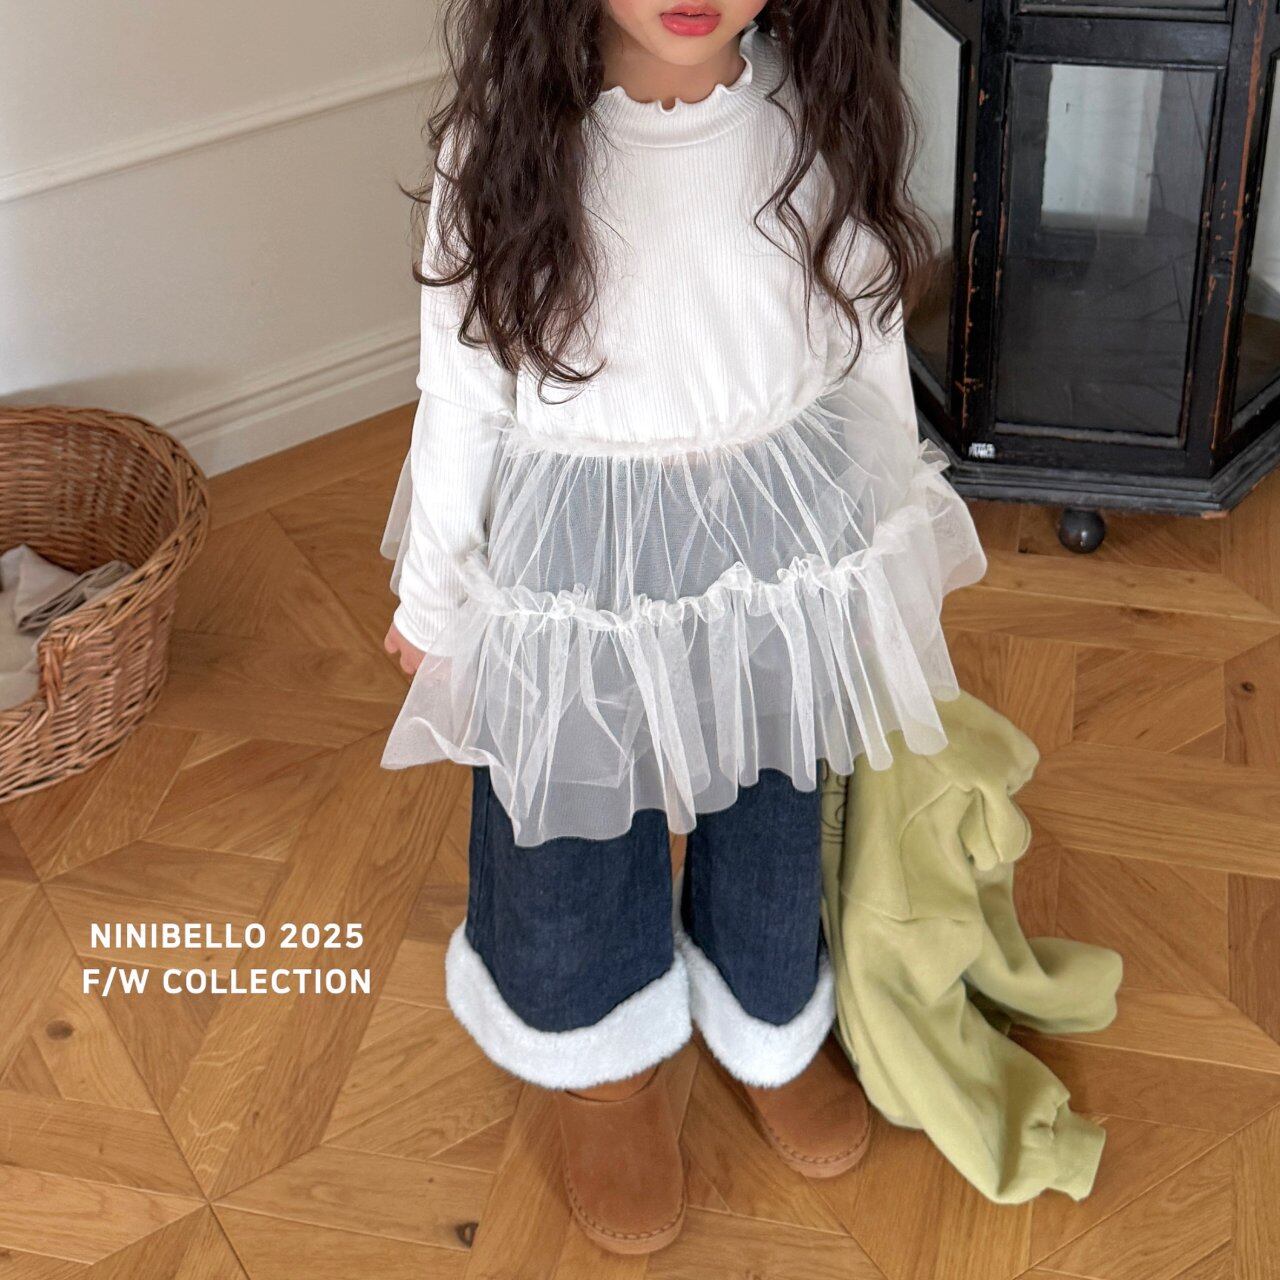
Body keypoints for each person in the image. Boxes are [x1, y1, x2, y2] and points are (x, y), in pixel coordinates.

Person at [380, 0, 988, 1255]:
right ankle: (602, 1063)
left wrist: (896, 525)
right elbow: (459, 390)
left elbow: (865, 331)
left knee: (772, 793)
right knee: (566, 821)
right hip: (574, 548)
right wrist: (431, 597)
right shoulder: (506, 143)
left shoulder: (815, 113)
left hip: (776, 533)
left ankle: (767, 1018)